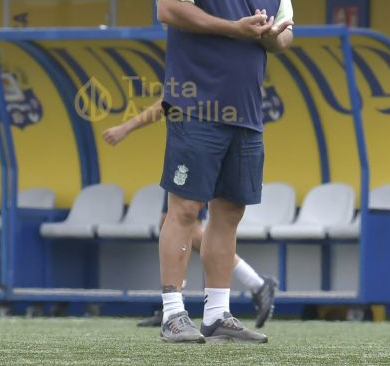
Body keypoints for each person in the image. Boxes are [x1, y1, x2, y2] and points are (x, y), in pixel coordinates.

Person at [153, 0, 294, 344]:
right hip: (196, 103)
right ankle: (174, 313)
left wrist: (272, 37)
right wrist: (233, 28)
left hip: (246, 110)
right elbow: (169, 7)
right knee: (185, 209)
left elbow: (286, 31)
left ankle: (217, 315)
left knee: (229, 213)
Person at [103, 99, 278, 329]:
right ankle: (179, 304)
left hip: (204, 141)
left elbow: (167, 101)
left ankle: (249, 284)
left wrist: (125, 128)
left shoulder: (198, 75)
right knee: (177, 222)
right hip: (194, 139)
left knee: (188, 223)